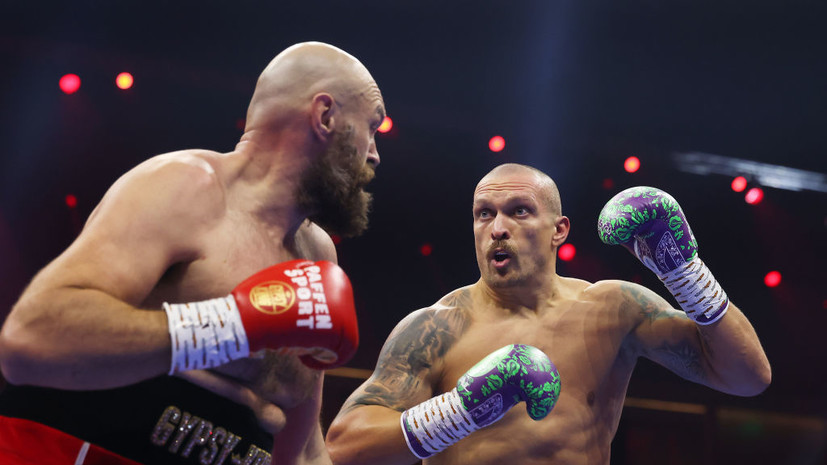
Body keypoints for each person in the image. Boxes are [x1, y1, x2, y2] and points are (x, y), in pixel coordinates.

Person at [0, 41, 386, 465]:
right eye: (371, 126)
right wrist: (232, 326)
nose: (374, 153)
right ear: (325, 116)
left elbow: (303, 451)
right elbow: (31, 339)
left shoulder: (317, 255)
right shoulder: (186, 187)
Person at [325, 163, 771, 465]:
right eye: (484, 214)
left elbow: (748, 377)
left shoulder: (615, 309)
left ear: (559, 230)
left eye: (519, 211)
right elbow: (344, 447)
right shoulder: (436, 327)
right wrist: (458, 412)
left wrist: (684, 273)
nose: (498, 228)